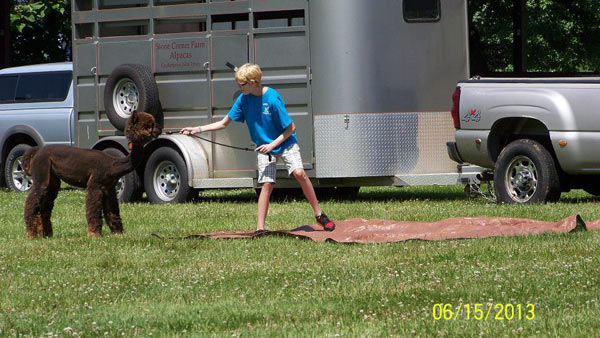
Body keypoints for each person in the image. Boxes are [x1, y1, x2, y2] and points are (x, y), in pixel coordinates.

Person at [180, 63, 336, 232]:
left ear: (253, 82)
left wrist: (272, 145)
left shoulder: (272, 98)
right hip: (264, 147)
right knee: (267, 184)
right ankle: (260, 228)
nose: (239, 88)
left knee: (299, 173)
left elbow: (291, 128)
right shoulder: (243, 99)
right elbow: (224, 123)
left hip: (284, 142)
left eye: (242, 85)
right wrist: (197, 129)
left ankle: (320, 215)